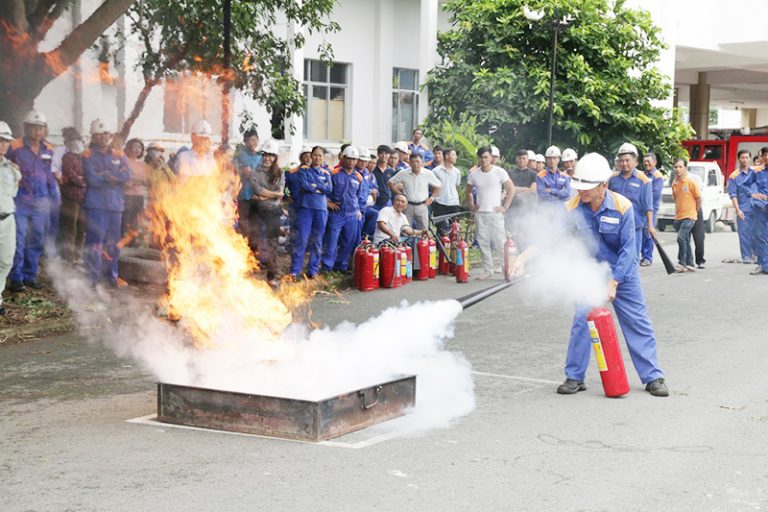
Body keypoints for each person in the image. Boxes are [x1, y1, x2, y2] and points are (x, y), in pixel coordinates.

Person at [511, 153, 668, 397]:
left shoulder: (622, 207)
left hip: (623, 273)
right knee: (582, 320)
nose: (580, 192)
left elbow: (630, 251)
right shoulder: (571, 207)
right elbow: (549, 239)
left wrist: (614, 281)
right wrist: (521, 259)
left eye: (587, 188)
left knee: (637, 322)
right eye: (579, 187)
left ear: (603, 185)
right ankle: (575, 377)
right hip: (590, 272)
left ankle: (653, 377)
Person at [7, 110, 58, 292]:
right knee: (19, 240)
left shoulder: (49, 149)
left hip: (41, 202)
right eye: (33, 128)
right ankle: (16, 278)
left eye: (40, 128)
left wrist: (54, 196)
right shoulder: (15, 147)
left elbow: (49, 174)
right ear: (26, 128)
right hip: (20, 201)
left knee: (36, 239)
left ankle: (30, 275)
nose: (37, 132)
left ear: (44, 129)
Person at [82, 119, 131, 287]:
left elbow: (127, 175)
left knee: (113, 242)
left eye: (106, 134)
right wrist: (110, 176)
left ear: (110, 135)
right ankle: (92, 279)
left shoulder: (118, 153)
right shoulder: (87, 154)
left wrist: (105, 174)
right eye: (99, 134)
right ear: (93, 136)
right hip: (96, 205)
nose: (103, 137)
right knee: (95, 242)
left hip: (115, 205)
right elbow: (92, 179)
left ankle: (111, 276)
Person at [466, 146, 514, 280]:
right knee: (483, 243)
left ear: (491, 157)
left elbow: (511, 189)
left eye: (486, 157)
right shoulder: (474, 174)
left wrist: (505, 207)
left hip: (495, 214)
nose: (484, 160)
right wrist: (471, 205)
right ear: (478, 158)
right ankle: (488, 270)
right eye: (481, 157)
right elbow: (468, 191)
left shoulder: (499, 172)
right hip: (480, 214)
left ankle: (507, 270)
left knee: (500, 243)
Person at [243, 139, 284, 285]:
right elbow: (257, 190)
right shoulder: (255, 172)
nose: (268, 158)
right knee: (254, 240)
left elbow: (280, 194)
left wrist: (263, 196)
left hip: (273, 212)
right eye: (266, 154)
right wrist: (270, 195)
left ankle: (272, 275)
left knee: (272, 243)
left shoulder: (280, 173)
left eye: (271, 155)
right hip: (257, 211)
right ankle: (252, 271)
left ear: (275, 157)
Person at [321, 145, 365, 273]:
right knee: (332, 240)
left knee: (348, 242)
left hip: (352, 215)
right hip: (337, 214)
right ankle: (327, 267)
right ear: (343, 158)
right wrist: (328, 203)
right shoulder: (334, 173)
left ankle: (341, 266)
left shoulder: (358, 177)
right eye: (349, 158)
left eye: (354, 159)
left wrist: (359, 210)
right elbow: (324, 192)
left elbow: (360, 196)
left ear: (356, 160)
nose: (351, 162)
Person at [290, 146, 332, 279]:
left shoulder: (326, 173)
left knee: (317, 240)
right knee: (302, 239)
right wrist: (320, 187)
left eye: (320, 155)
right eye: (315, 155)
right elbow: (304, 185)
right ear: (311, 156)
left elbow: (329, 189)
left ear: (323, 158)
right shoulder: (304, 171)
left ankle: (312, 270)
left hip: (321, 210)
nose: (317, 158)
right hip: (306, 208)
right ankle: (295, 270)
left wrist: (315, 186)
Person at [608, 143, 653, 260]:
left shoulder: (644, 180)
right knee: (615, 258)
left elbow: (648, 206)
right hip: (615, 226)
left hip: (635, 227)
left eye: (627, 160)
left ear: (635, 161)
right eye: (621, 161)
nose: (624, 164)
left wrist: (650, 226)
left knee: (632, 259)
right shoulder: (612, 179)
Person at [387, 152, 442, 230]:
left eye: (417, 162)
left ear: (422, 162)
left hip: (422, 205)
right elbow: (390, 183)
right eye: (413, 162)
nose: (415, 164)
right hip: (407, 205)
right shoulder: (404, 173)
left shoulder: (428, 173)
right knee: (405, 229)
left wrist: (432, 198)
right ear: (409, 162)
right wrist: (400, 194)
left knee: (424, 230)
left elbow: (439, 186)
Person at [0, 122, 22, 314]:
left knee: (6, 261)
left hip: (7, 220)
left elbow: (13, 192)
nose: (3, 145)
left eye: (6, 141)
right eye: (0, 140)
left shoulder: (12, 169)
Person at [58, 134, 87, 263]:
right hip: (70, 197)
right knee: (70, 227)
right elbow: (72, 176)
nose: (78, 143)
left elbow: (86, 174)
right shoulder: (68, 157)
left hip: (82, 198)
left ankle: (78, 255)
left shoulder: (82, 158)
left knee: (81, 227)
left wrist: (84, 180)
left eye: (80, 141)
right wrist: (85, 181)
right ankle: (68, 256)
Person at [725, 149, 756, 264]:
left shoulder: (755, 172)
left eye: (747, 157)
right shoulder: (734, 176)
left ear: (750, 158)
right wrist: (737, 209)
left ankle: (757, 255)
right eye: (742, 158)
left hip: (757, 208)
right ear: (739, 159)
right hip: (743, 209)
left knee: (758, 232)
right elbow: (733, 195)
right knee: (744, 233)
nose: (745, 160)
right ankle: (746, 256)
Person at [671, 158, 700, 272]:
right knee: (685, 240)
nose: (678, 169)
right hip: (679, 216)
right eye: (676, 167)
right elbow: (676, 198)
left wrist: (695, 211)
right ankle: (690, 263)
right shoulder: (674, 183)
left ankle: (681, 263)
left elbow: (698, 198)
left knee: (681, 238)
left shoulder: (691, 182)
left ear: (685, 168)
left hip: (690, 215)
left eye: (680, 167)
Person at [235, 128, 263, 244]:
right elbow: (235, 170)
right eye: (251, 140)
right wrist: (243, 171)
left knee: (256, 225)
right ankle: (243, 250)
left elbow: (263, 174)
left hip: (257, 196)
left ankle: (254, 255)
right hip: (244, 195)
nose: (253, 142)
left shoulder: (260, 157)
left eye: (255, 140)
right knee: (244, 225)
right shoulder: (240, 155)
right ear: (245, 141)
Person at [505, 149, 538, 238]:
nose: (521, 160)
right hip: (512, 207)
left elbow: (532, 190)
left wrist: (515, 190)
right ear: (516, 159)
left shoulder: (533, 174)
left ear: (527, 160)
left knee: (526, 233)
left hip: (528, 208)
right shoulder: (510, 173)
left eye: (524, 158)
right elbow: (508, 189)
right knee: (510, 234)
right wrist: (524, 189)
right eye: (519, 158)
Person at [640, 152, 665, 266]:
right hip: (641, 209)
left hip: (652, 209)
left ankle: (647, 258)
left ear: (654, 162)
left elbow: (655, 194)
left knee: (648, 232)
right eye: (645, 161)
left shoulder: (657, 176)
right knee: (641, 232)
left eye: (648, 161)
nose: (646, 163)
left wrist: (643, 199)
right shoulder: (643, 175)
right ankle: (642, 256)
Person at [431, 147, 462, 236]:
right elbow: (433, 188)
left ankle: (454, 247)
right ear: (447, 156)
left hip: (454, 203)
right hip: (440, 203)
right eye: (453, 155)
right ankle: (440, 248)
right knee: (441, 229)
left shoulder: (457, 172)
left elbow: (456, 185)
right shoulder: (436, 171)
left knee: (455, 228)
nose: (456, 157)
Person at [121, 138, 148, 241]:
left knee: (136, 221)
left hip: (139, 196)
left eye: (139, 147)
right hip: (127, 196)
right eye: (134, 146)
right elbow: (125, 179)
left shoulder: (142, 164)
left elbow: (145, 180)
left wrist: (136, 181)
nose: (137, 149)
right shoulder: (124, 161)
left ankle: (133, 240)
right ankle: (123, 241)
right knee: (125, 220)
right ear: (128, 148)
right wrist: (136, 181)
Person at [356, 147, 379, 239]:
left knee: (375, 214)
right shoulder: (354, 173)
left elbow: (375, 190)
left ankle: (366, 237)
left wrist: (375, 193)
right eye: (361, 160)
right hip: (356, 207)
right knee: (354, 234)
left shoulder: (368, 174)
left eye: (365, 161)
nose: (363, 163)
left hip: (366, 206)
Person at [750, 161, 768, 275]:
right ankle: (763, 265)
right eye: (765, 155)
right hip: (761, 208)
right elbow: (750, 189)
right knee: (760, 236)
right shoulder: (756, 172)